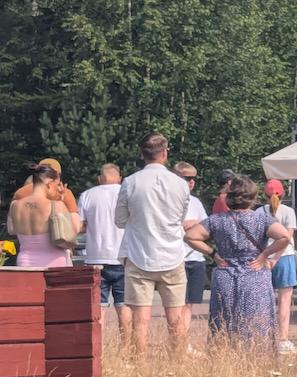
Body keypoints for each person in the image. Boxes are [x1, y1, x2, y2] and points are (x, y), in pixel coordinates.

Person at [184, 176, 290, 349]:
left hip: (226, 274)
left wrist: (213, 254)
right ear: (253, 197)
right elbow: (284, 236)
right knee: (257, 323)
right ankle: (258, 357)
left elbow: (190, 236)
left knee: (224, 321)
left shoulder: (216, 220)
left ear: (229, 197)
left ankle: (224, 356)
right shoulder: (262, 219)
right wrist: (265, 254)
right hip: (255, 274)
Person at [115, 133, 191, 354]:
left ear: (142, 154)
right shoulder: (181, 184)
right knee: (176, 317)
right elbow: (181, 217)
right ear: (165, 153)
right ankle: (178, 361)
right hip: (172, 254)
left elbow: (119, 220)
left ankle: (139, 361)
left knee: (140, 319)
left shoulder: (130, 182)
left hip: (139, 254)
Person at [78, 163, 130, 330]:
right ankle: (127, 344)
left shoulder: (87, 195)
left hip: (95, 258)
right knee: (124, 305)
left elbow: (79, 227)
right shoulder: (127, 194)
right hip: (124, 258)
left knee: (98, 307)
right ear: (120, 178)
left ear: (99, 178)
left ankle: (99, 344)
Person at [7, 162, 81, 269]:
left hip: (25, 262)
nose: (58, 189)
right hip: (54, 262)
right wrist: (62, 201)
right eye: (57, 185)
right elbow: (75, 229)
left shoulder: (15, 205)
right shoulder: (56, 205)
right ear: (49, 184)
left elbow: (11, 230)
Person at [260, 179, 297, 353]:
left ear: (264, 194)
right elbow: (287, 237)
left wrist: (265, 256)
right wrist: (276, 257)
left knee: (264, 299)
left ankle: (263, 337)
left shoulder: (259, 211)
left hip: (264, 257)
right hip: (284, 257)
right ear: (283, 193)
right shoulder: (288, 211)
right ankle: (283, 339)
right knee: (284, 300)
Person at [172, 162, 210, 334]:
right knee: (176, 303)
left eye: (194, 178)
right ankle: (177, 337)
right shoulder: (168, 200)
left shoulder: (196, 202)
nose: (192, 182)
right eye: (187, 178)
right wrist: (181, 224)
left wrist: (195, 223)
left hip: (195, 257)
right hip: (176, 257)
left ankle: (183, 337)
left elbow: (207, 227)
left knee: (190, 303)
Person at [12, 157, 78, 213]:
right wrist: (61, 201)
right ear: (58, 175)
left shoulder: (20, 193)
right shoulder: (65, 194)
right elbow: (74, 222)